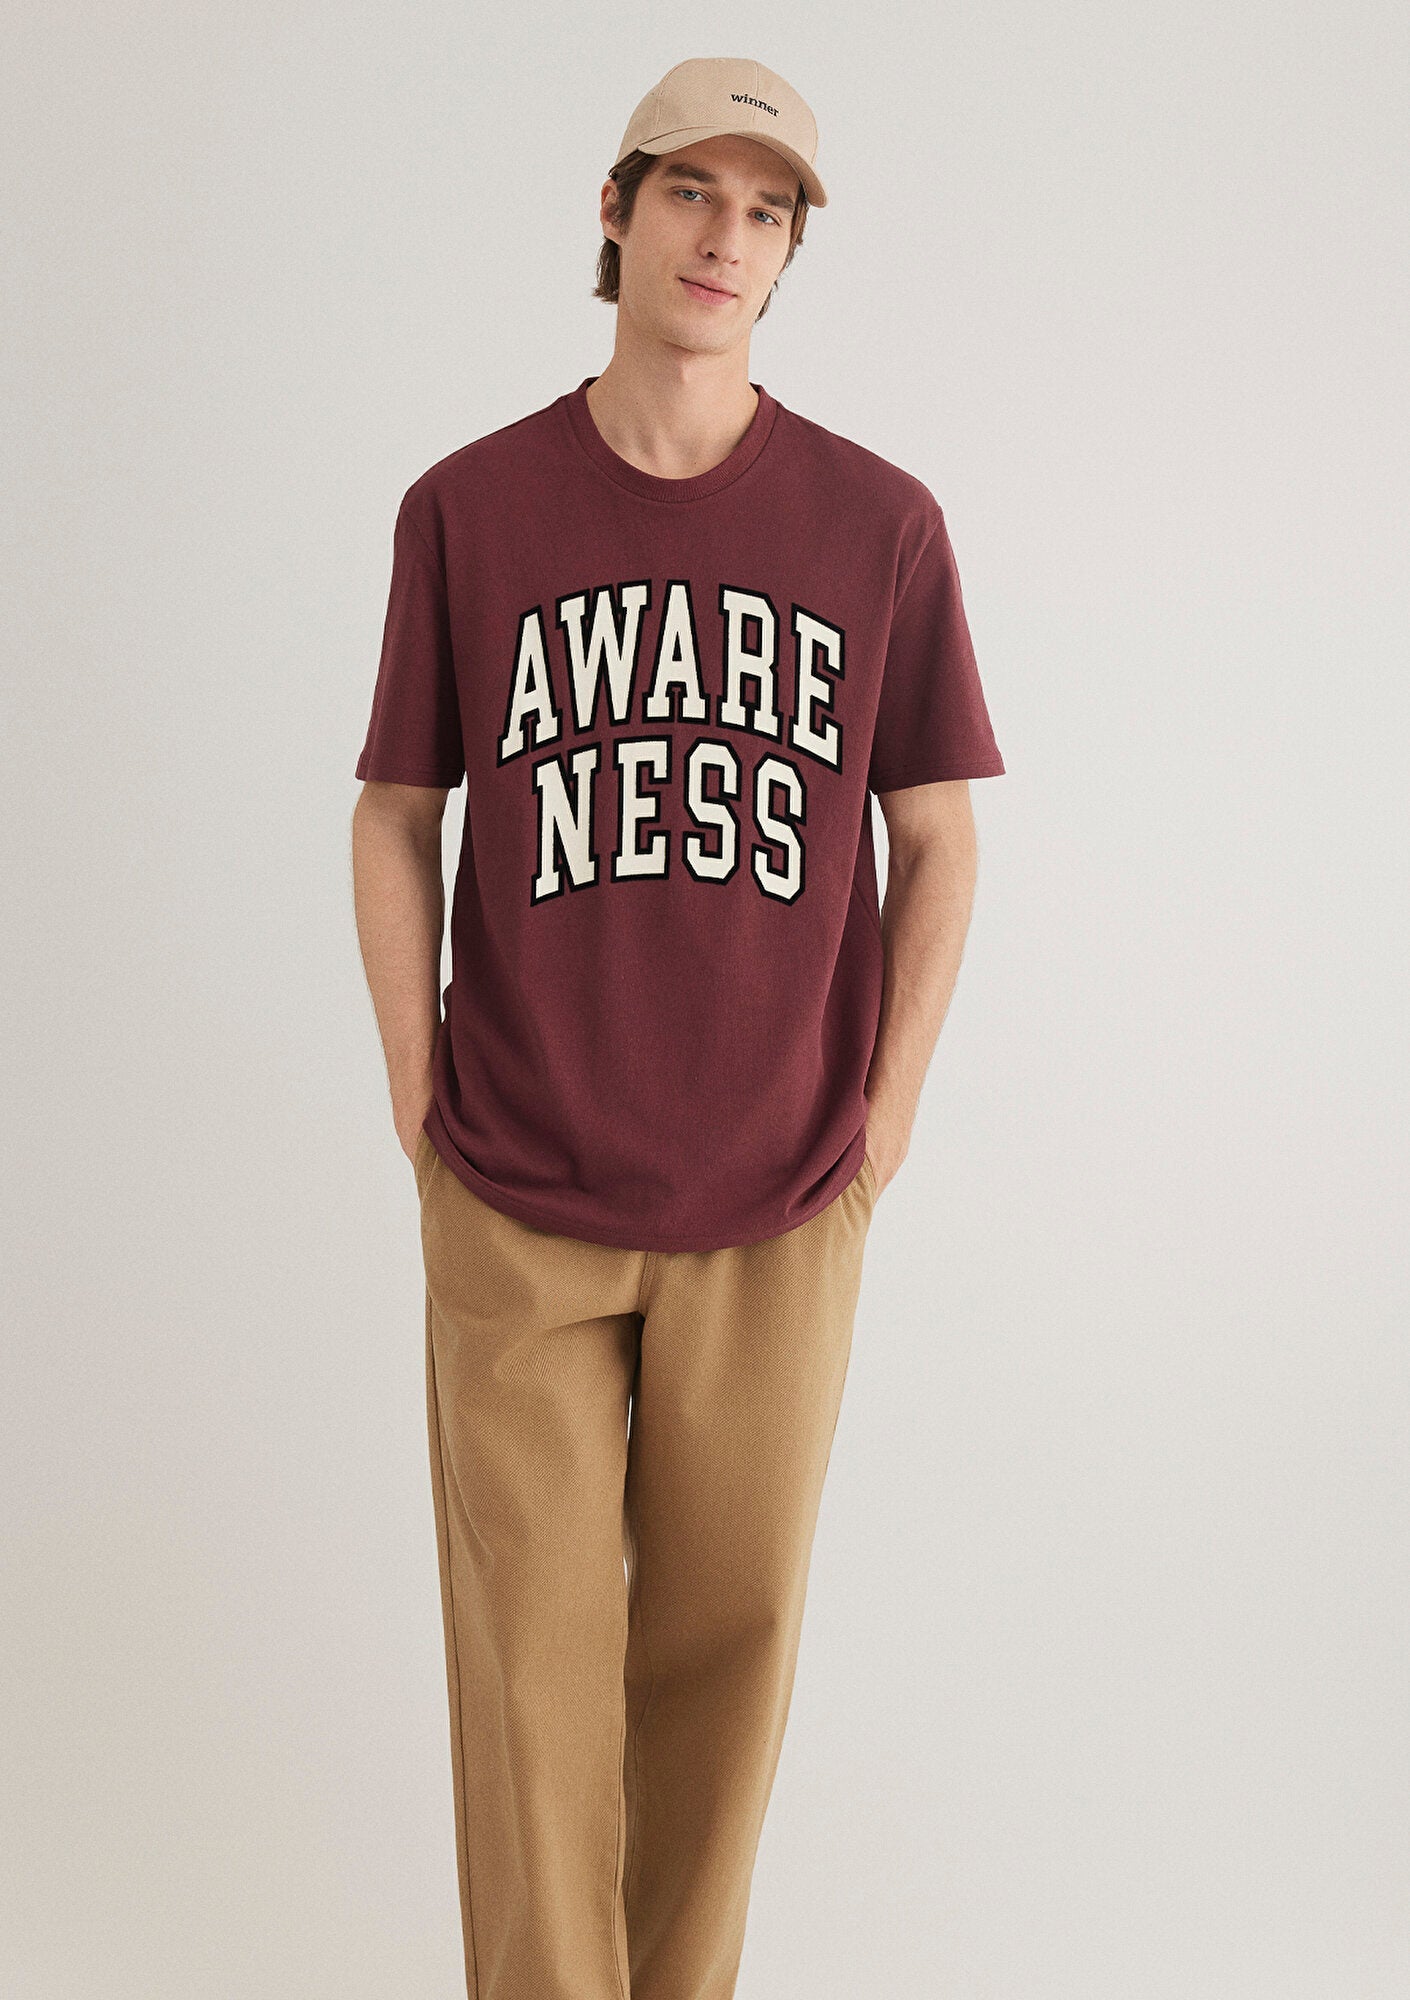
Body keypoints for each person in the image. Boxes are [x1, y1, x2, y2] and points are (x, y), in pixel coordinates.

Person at [350, 53, 1005, 2000]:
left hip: (782, 1193)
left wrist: (885, 1118)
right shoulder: (469, 509)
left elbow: (938, 834)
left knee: (728, 1675)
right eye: (692, 195)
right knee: (530, 1689)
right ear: (616, 212)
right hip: (518, 1189)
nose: (727, 238)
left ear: (791, 253)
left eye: (766, 209)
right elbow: (395, 810)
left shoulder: (879, 526)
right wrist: (418, 1092)